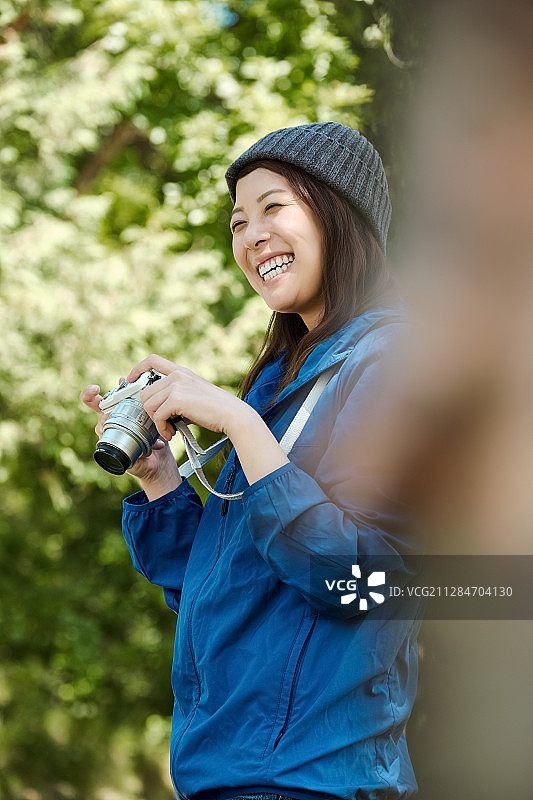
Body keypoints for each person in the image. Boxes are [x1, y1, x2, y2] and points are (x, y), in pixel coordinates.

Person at [81, 122, 421, 800]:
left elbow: (361, 581)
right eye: (238, 221)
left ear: (339, 214)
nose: (250, 235)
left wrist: (234, 422)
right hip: (225, 774)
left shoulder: (394, 363)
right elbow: (222, 590)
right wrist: (159, 477)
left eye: (274, 207)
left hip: (309, 778)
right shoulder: (275, 391)